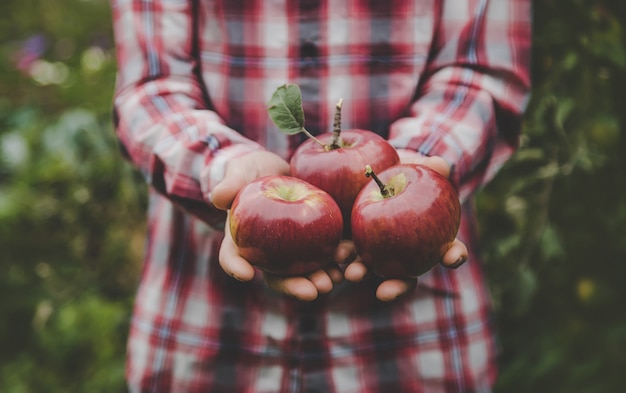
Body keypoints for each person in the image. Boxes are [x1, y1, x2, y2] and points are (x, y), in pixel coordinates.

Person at [110, 0, 531, 391]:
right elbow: (151, 85)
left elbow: (478, 73)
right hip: (207, 325)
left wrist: (415, 175)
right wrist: (223, 168)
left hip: (416, 340)